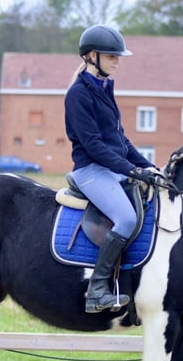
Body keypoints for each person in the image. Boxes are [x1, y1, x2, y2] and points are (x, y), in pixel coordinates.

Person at [64, 24, 160, 314]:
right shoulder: (78, 94)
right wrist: (131, 170)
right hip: (91, 170)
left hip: (111, 168)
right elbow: (93, 145)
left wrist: (147, 166)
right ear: (92, 56)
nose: (118, 61)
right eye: (112, 56)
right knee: (127, 219)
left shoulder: (105, 88)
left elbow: (120, 139)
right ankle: (97, 290)